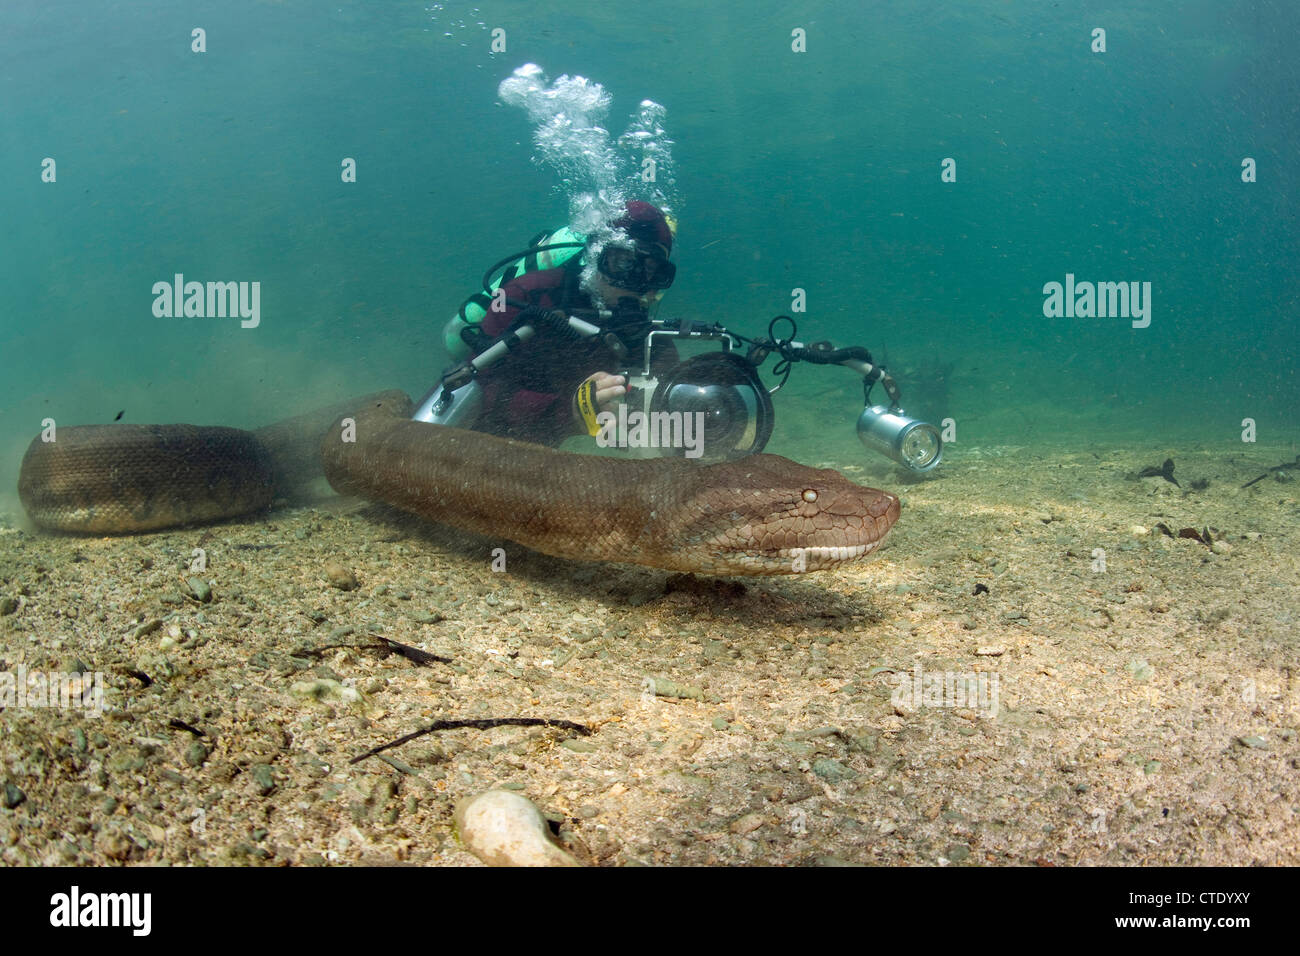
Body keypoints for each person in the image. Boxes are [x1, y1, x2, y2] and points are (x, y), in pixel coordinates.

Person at [471, 200, 679, 446]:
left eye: (651, 270)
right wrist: (567, 411)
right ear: (595, 255)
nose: (634, 282)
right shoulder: (527, 295)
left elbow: (673, 391)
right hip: (483, 444)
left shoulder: (646, 335)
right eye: (623, 263)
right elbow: (480, 386)